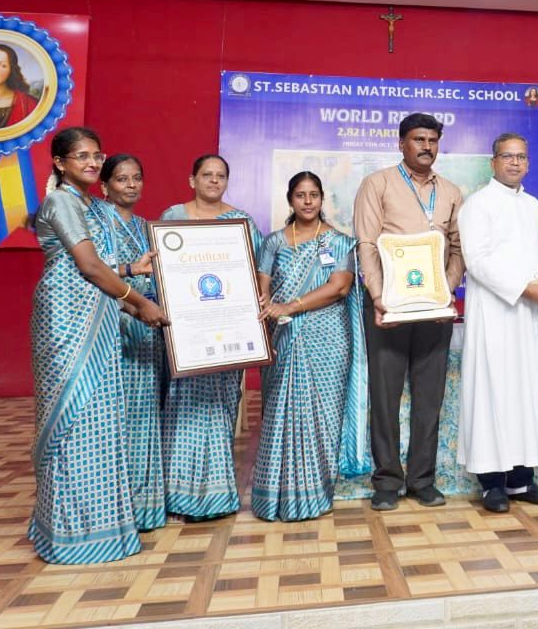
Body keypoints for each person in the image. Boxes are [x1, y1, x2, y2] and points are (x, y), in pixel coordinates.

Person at [28, 127, 165, 564]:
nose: (91, 162)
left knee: (101, 421)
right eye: (81, 156)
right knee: (75, 419)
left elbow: (99, 266)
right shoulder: (61, 202)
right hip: (67, 317)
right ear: (59, 162)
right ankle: (71, 532)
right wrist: (139, 302)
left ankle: (102, 528)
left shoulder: (90, 206)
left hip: (100, 315)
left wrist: (129, 267)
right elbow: (86, 266)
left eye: (95, 154)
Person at [353, 113, 465, 512]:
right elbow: (366, 243)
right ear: (401, 143)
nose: (426, 147)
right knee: (384, 398)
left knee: (429, 397)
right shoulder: (377, 184)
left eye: (433, 140)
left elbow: (458, 248)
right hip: (389, 307)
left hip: (434, 309)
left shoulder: (451, 191)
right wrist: (380, 296)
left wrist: (445, 290)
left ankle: (422, 479)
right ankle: (386, 481)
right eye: (418, 139)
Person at [457, 134, 538, 512]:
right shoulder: (478, 204)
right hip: (496, 315)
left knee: (527, 393)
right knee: (495, 394)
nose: (515, 163)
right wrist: (523, 287)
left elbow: (527, 251)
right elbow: (478, 260)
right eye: (508, 156)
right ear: (493, 162)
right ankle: (492, 485)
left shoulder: (532, 205)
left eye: (521, 157)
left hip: (528, 314)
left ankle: (522, 481)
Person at [252, 171, 369, 521]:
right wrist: (271, 307)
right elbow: (262, 290)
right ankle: (274, 497)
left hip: (328, 338)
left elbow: (340, 287)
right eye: (300, 195)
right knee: (279, 414)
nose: (307, 201)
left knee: (323, 416)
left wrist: (291, 306)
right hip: (283, 336)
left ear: (322, 199)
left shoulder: (339, 242)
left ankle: (315, 494)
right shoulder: (273, 241)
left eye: (313, 195)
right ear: (290, 200)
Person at [159, 154, 263, 520]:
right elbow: (160, 272)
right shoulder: (173, 218)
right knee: (181, 413)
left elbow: (257, 274)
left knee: (218, 413)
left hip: (224, 335)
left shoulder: (242, 223)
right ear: (192, 180)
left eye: (221, 176)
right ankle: (179, 497)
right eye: (207, 175)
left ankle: (216, 497)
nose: (214, 181)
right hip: (186, 337)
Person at [96, 154, 167, 530]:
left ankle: (142, 507)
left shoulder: (147, 228)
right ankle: (111, 507)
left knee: (143, 418)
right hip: (110, 329)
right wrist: (129, 277)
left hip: (147, 333)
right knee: (110, 420)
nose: (131, 185)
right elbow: (86, 272)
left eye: (137, 178)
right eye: (122, 179)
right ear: (105, 186)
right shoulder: (95, 222)